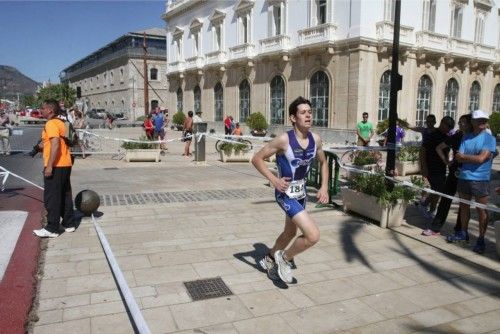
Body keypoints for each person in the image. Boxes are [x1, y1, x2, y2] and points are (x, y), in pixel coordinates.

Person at [252, 96, 329, 283]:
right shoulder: (284, 140)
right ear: (293, 118)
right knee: (313, 235)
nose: (308, 115)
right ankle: (285, 259)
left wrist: (324, 187)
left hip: (300, 193)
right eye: (303, 112)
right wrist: (274, 180)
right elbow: (256, 159)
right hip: (285, 193)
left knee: (290, 233)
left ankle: (269, 258)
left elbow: (324, 162)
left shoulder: (316, 139)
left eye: (310, 112)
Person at [446, 110, 496, 254]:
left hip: (480, 179)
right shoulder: (466, 137)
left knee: (481, 210)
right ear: (473, 122)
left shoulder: (489, 138)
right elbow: (458, 157)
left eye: (484, 120)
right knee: (464, 207)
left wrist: (466, 157)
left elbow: (481, 159)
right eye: (479, 120)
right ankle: (463, 233)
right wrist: (471, 158)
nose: (482, 122)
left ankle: (481, 239)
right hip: (464, 177)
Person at [422, 114, 472, 236]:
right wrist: (447, 162)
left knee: (464, 203)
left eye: (463, 122)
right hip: (454, 171)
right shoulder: (457, 135)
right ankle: (435, 227)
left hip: (468, 173)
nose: (459, 124)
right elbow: (439, 148)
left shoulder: (474, 137)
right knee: (445, 198)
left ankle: (460, 229)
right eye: (459, 122)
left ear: (470, 124)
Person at [33, 99, 76, 238]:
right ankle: (69, 224)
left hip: (56, 165)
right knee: (65, 194)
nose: (41, 110)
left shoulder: (51, 123)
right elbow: (59, 142)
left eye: (43, 108)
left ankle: (52, 228)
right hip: (66, 163)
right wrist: (39, 148)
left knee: (52, 197)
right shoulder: (62, 123)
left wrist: (49, 166)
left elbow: (56, 144)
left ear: (50, 110)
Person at [418, 116, 456, 220]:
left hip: (441, 167)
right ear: (442, 123)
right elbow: (422, 150)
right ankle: (424, 205)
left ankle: (432, 210)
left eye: (451, 128)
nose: (449, 129)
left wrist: (448, 161)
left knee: (438, 191)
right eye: (449, 127)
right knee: (438, 189)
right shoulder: (432, 135)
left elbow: (446, 151)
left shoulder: (446, 136)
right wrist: (424, 167)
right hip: (431, 167)